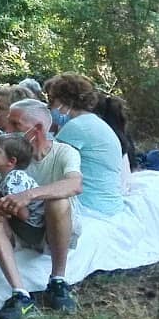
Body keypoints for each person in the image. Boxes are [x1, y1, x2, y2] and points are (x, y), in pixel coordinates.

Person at [0, 98, 84, 319]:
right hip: (20, 228)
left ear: (37, 129)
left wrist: (29, 194)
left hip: (51, 227)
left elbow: (75, 185)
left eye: (15, 124)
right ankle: (20, 294)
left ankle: (57, 280)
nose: (7, 129)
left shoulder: (64, 153)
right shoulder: (9, 155)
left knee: (58, 200)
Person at [48, 72, 127, 217]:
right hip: (108, 204)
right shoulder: (93, 122)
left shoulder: (76, 127)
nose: (49, 106)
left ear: (67, 101)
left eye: (52, 100)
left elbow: (48, 166)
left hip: (89, 207)